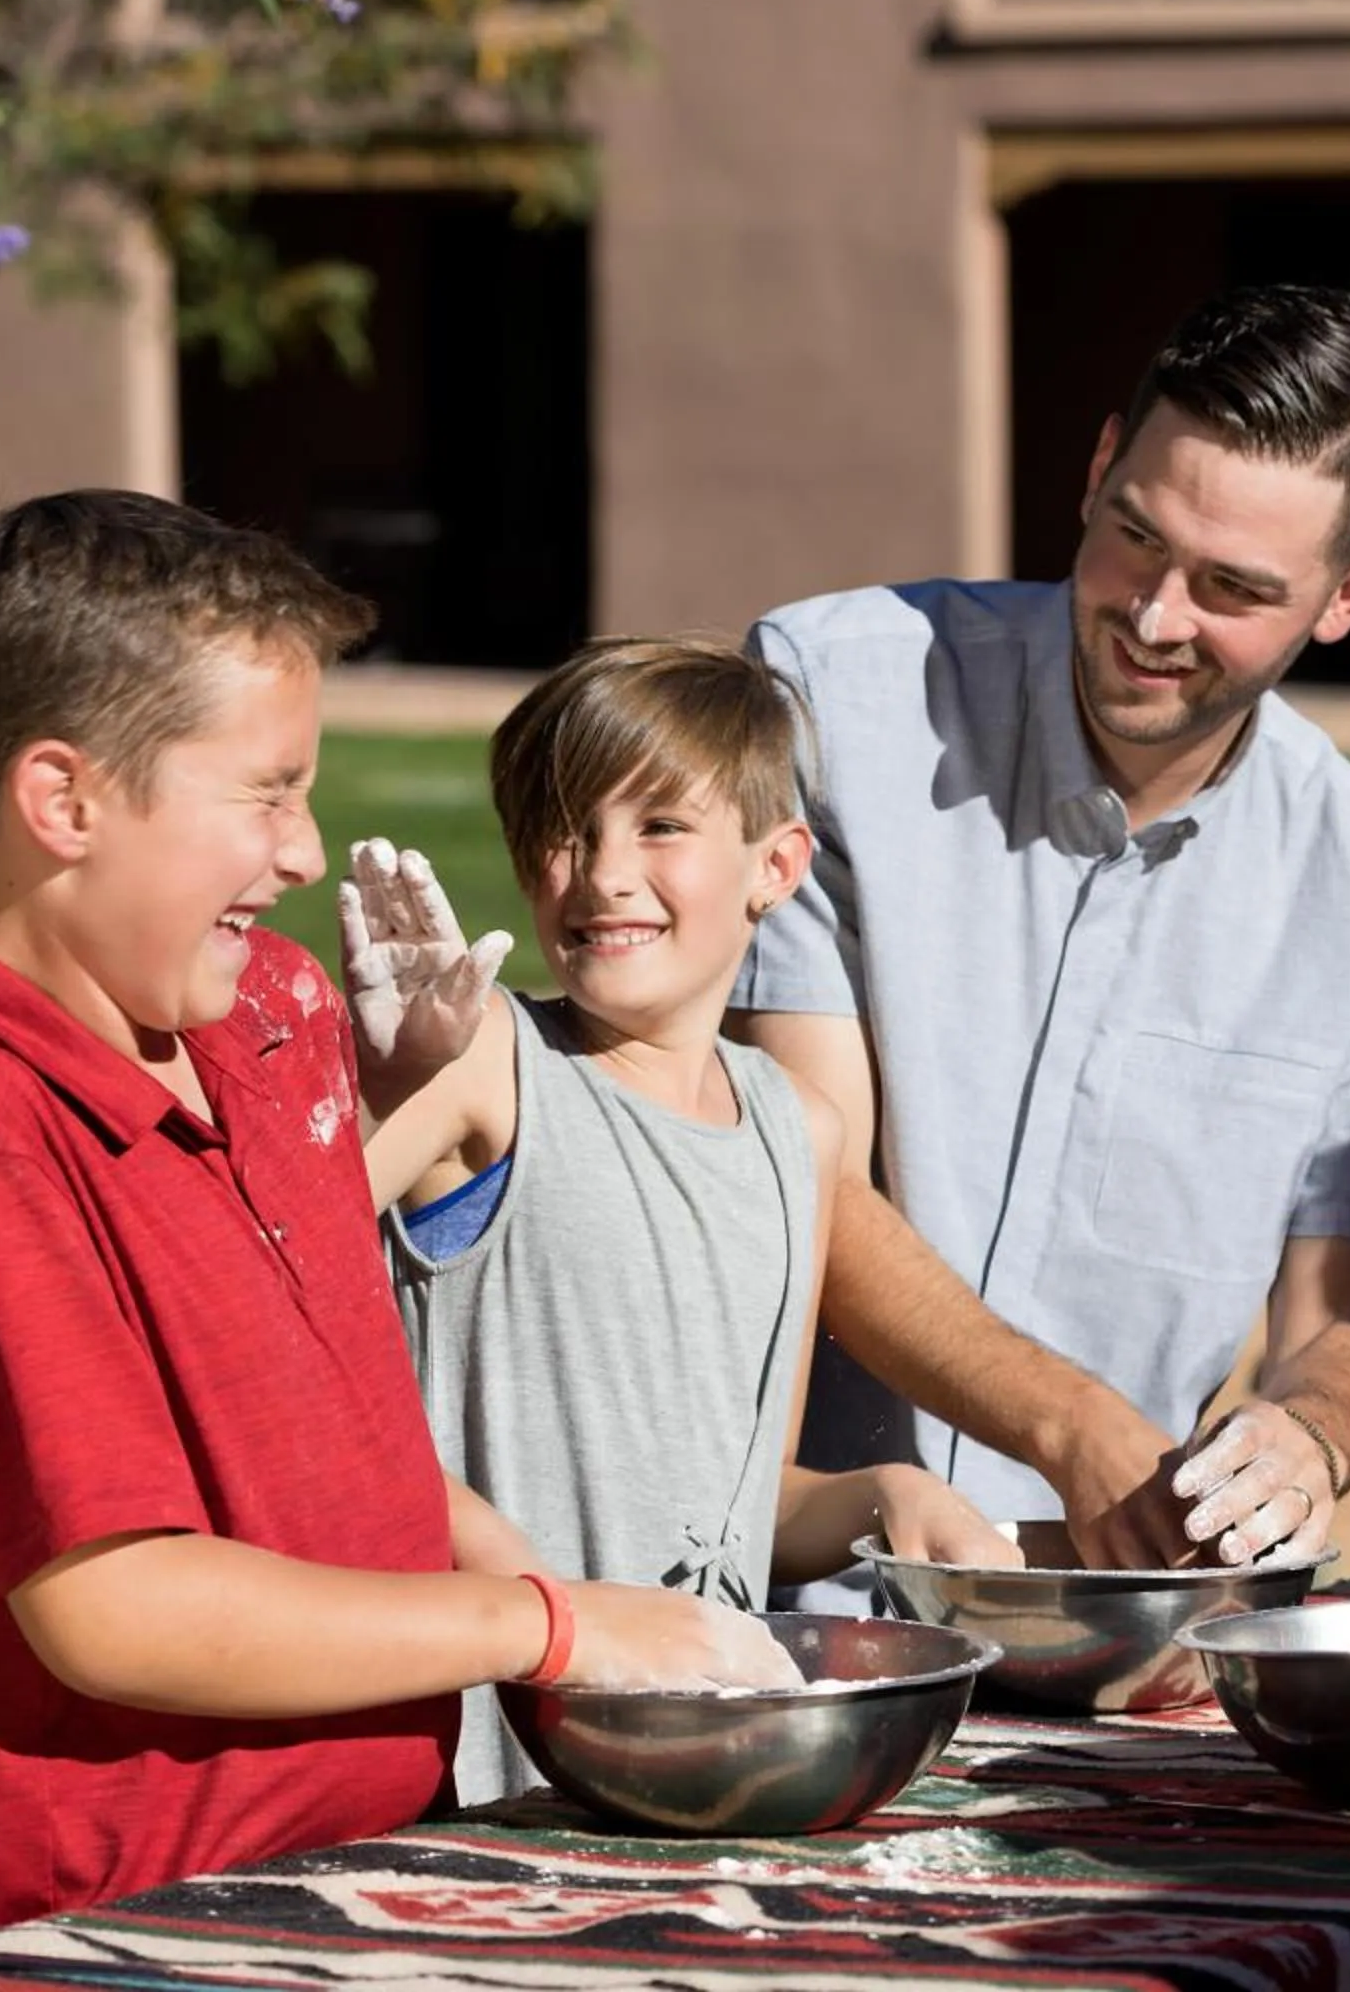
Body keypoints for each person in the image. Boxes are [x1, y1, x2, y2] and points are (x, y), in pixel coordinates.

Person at [0, 493, 789, 1944]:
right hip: (134, 1927)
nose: (303, 852)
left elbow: (362, 1462)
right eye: (267, 792)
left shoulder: (277, 1018)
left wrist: (607, 1629)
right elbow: (118, 1609)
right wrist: (544, 1627)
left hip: (365, 1881)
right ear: (65, 801)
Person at [729, 285, 1350, 1581]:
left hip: (1111, 1613)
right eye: (1136, 539)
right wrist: (1070, 1423)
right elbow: (797, 1174)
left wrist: (1308, 1440)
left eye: (1234, 588)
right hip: (783, 1577)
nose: (1158, 617)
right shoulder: (830, 696)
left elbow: (1338, 1325)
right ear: (1101, 464)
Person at [347, 636, 1010, 1803]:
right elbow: (254, 1284)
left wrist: (885, 1496)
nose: (603, 871)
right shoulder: (490, 1065)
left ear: (778, 862)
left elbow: (747, 1499)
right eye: (565, 826)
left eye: (659, 824)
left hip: (706, 1759)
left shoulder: (796, 1130)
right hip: (483, 1775)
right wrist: (379, 1088)